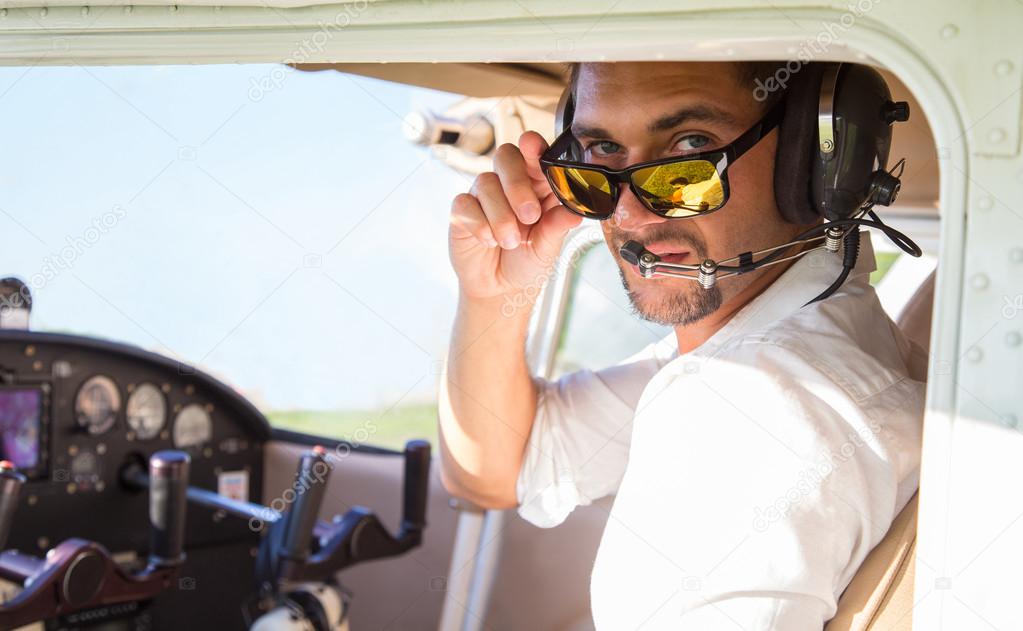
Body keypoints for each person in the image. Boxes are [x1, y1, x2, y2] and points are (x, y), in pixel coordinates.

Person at [437, 61, 926, 629]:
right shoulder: (778, 345)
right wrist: (495, 294)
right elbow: (495, 470)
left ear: (814, 158)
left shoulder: (750, 405)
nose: (629, 212)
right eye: (602, 152)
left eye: (690, 145)